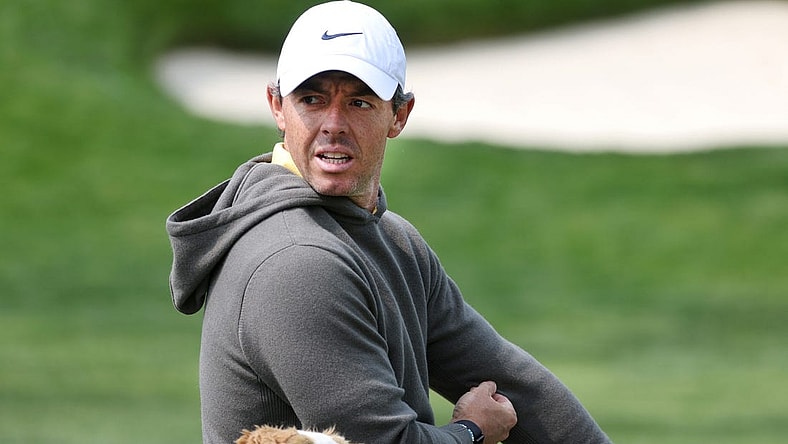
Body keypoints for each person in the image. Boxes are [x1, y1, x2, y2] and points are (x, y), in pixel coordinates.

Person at [166, 1, 611, 443]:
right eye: (312, 99)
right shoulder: (296, 264)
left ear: (399, 115)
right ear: (277, 106)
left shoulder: (394, 241)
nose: (333, 124)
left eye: (359, 102)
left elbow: (512, 383)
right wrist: (473, 431)